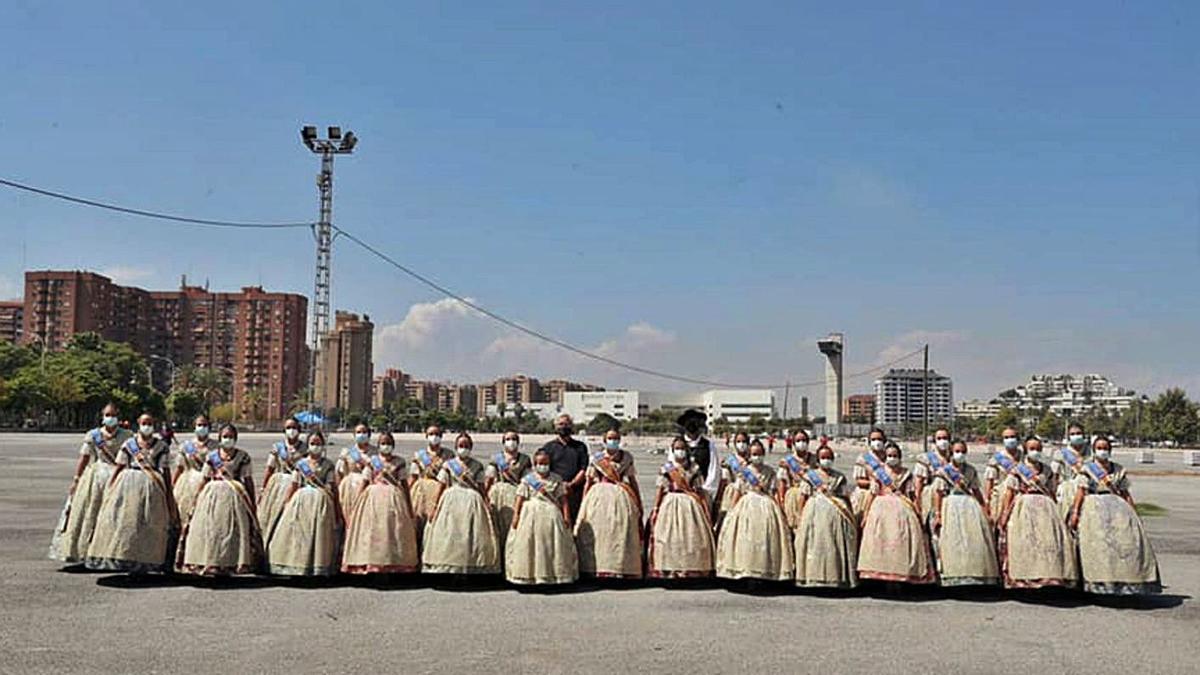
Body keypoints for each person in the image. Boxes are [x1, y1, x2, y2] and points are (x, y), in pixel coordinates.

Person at [85, 413, 178, 573]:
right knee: (128, 523)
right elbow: (120, 466)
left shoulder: (161, 446)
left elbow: (166, 472)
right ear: (138, 424)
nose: (147, 426)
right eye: (144, 423)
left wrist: (169, 495)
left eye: (149, 423)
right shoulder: (129, 444)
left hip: (153, 488)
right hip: (128, 486)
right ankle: (127, 559)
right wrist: (110, 488)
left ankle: (147, 561)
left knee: (149, 524)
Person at [1068, 436, 1161, 595]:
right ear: (1093, 450)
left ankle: (1124, 579)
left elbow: (1125, 493)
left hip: (1118, 510)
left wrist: (1134, 512)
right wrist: (1075, 512)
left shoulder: (1118, 470)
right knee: (1097, 545)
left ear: (1110, 450)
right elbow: (1081, 491)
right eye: (1099, 448)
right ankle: (1095, 581)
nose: (1102, 451)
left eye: (1105, 448)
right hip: (1093, 509)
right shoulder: (1087, 469)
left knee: (1123, 543)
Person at [49, 403, 133, 564]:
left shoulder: (127, 435)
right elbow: (85, 457)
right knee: (88, 512)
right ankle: (83, 550)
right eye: (107, 415)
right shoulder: (93, 435)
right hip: (96, 476)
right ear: (102, 416)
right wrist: (76, 479)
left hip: (119, 476)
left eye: (113, 415)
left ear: (118, 416)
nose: (110, 418)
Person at [175, 424, 263, 576]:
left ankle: (231, 563)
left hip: (234, 495)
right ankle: (211, 562)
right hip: (212, 495)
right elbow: (205, 478)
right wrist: (197, 499)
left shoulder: (243, 456)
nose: (228, 439)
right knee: (211, 530)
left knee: (233, 530)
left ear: (235, 438)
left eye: (231, 436)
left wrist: (252, 503)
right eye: (225, 436)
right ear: (220, 437)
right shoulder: (212, 456)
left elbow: (247, 480)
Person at [994, 436, 1078, 589]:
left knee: (1047, 541)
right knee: (1025, 541)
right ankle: (1024, 578)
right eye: (1032, 449)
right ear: (1026, 450)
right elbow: (1010, 492)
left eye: (1038, 449)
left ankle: (1048, 577)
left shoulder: (1047, 470)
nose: (1036, 452)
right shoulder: (1018, 469)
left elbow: (1051, 490)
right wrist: (1005, 513)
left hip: (1045, 508)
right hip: (1023, 506)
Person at [421, 433, 501, 575]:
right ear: (456, 447)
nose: (463, 448)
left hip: (472, 501)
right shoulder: (448, 465)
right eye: (461, 446)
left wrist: (487, 503)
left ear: (471, 447)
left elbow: (482, 487)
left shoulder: (477, 465)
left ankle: (469, 567)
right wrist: (434, 506)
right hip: (451, 500)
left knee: (470, 535)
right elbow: (441, 486)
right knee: (450, 534)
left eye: (466, 446)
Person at [856, 442, 935, 585]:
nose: (892, 458)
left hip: (902, 509)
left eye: (895, 455)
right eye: (889, 455)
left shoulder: (906, 473)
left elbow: (911, 494)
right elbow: (872, 494)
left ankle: (900, 577)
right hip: (880, 509)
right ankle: (882, 579)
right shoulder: (879, 473)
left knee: (901, 541)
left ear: (900, 457)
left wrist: (917, 511)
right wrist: (866, 514)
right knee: (881, 541)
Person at [341, 432, 419, 574]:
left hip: (393, 499)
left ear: (393, 445)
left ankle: (392, 564)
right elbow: (365, 481)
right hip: (372, 498)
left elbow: (404, 485)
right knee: (371, 531)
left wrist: (409, 506)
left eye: (388, 443)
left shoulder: (399, 462)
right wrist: (357, 504)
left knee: (392, 531)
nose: (386, 446)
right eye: (383, 443)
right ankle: (371, 564)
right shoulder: (373, 461)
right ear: (378, 445)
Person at [715, 439, 793, 581]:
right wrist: (732, 512)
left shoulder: (769, 471)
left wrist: (780, 508)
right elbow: (738, 490)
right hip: (747, 504)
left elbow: (774, 491)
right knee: (746, 539)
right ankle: (746, 570)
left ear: (763, 454)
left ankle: (764, 571)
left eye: (759, 453)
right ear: (749, 455)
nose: (757, 456)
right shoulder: (744, 472)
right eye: (754, 454)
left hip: (766, 505)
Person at [266, 431, 340, 577]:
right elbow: (294, 485)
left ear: (323, 445)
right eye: (312, 443)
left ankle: (317, 567)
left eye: (318, 443)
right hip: (301, 501)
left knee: (318, 536)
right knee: (299, 534)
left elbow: (331, 485)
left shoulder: (328, 464)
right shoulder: (301, 464)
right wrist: (287, 504)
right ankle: (297, 565)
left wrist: (335, 505)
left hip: (320, 502)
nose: (315, 446)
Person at [928, 440, 999, 587]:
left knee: (972, 540)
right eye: (956, 451)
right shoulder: (943, 471)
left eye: (962, 451)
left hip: (969, 507)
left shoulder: (970, 470)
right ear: (951, 453)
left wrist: (984, 508)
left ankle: (972, 573)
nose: (960, 455)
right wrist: (938, 513)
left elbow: (976, 490)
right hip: (950, 506)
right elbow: (938, 493)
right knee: (952, 541)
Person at [575, 428, 643, 579]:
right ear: (604, 441)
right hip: (599, 495)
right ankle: (596, 567)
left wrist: (638, 500)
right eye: (610, 438)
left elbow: (632, 480)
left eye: (616, 438)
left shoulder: (626, 457)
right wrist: (584, 502)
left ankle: (619, 567)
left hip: (621, 495)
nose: (613, 441)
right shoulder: (597, 459)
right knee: (600, 532)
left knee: (620, 532)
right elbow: (589, 481)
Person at [505, 449, 579, 585]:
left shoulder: (556, 479)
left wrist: (567, 515)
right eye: (540, 463)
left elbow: (563, 500)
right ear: (534, 464)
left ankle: (552, 576)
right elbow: (519, 499)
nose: (543, 465)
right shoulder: (528, 480)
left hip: (552, 515)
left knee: (552, 545)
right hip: (531, 515)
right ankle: (530, 576)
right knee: (530, 545)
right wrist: (516, 515)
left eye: (545, 463)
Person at [791, 444, 858, 589]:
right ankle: (814, 577)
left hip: (836, 514)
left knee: (835, 545)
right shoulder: (810, 476)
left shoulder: (839, 477)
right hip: (814, 513)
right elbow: (803, 497)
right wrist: (800, 517)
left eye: (828, 457)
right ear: (817, 459)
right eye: (823, 457)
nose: (826, 460)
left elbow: (845, 496)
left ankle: (835, 578)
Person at [647, 437, 715, 579]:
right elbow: (661, 489)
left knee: (691, 537)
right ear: (672, 451)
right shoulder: (666, 468)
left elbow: (699, 489)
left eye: (682, 448)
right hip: (670, 502)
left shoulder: (694, 468)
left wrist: (705, 508)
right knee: (669, 537)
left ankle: (690, 568)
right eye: (677, 448)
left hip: (690, 505)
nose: (680, 451)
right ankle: (670, 569)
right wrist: (656, 508)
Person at [257, 417, 307, 547]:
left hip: (298, 485)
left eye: (294, 428)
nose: (291, 431)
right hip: (279, 485)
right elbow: (270, 468)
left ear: (300, 430)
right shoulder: (278, 447)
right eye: (288, 428)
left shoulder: (305, 448)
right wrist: (263, 489)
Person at [485, 430, 532, 552]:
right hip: (498, 493)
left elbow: (527, 479)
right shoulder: (496, 459)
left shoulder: (525, 459)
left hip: (516, 494)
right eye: (508, 439)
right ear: (503, 442)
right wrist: (485, 496)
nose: (511, 442)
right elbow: (489, 479)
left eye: (514, 439)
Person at [539, 414, 589, 524]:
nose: (563, 427)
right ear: (555, 427)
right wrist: (558, 486)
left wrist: (571, 484)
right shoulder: (548, 447)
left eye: (566, 424)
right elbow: (544, 469)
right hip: (553, 491)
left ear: (571, 426)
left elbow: (583, 469)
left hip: (575, 492)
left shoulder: (580, 447)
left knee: (574, 522)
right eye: (560, 424)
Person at [171, 414, 219, 528]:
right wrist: (172, 487)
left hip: (208, 483)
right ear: (194, 427)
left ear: (209, 427)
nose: (202, 427)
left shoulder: (216, 446)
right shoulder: (186, 446)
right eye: (199, 425)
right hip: (187, 486)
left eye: (204, 425)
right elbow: (179, 468)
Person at [409, 424, 452, 540]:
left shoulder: (448, 455)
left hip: (440, 489)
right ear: (426, 436)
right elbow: (413, 476)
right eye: (431, 434)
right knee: (418, 519)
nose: (434, 437)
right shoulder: (420, 455)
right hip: (421, 490)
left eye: (437, 434)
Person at [677, 409, 721, 507]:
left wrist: (704, 490)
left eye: (695, 422)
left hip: (702, 494)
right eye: (689, 422)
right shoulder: (677, 444)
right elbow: (672, 467)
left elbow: (714, 471)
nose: (692, 425)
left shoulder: (709, 445)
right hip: (680, 494)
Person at [336, 422, 376, 522]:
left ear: (369, 434)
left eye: (364, 432)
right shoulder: (347, 452)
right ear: (354, 435)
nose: (361, 434)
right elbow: (339, 472)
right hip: (350, 489)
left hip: (368, 488)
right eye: (358, 432)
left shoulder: (375, 452)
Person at [983, 426, 1024, 522]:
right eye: (1006, 437)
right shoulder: (997, 459)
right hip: (1000, 497)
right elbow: (990, 482)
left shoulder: (1024, 456)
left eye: (1012, 436)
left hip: (1020, 497)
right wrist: (987, 502)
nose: (1010, 439)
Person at [912, 426, 953, 519]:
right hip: (932, 498)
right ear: (935, 441)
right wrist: (917, 501)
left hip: (950, 499)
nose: (942, 441)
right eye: (939, 438)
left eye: (945, 438)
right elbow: (919, 483)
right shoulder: (926, 459)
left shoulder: (953, 459)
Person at [1052, 423, 1090, 522]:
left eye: (1078, 433)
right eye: (1072, 434)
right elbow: (1055, 476)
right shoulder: (1060, 454)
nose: (1076, 436)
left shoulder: (1091, 452)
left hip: (1087, 491)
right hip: (1066, 492)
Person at [776, 429, 813, 528]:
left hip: (811, 495)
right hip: (794, 495)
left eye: (804, 440)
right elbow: (782, 482)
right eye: (798, 440)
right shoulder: (788, 461)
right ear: (793, 443)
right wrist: (782, 500)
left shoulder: (814, 459)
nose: (802, 443)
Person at [715, 431, 752, 529]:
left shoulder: (753, 459)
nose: (741, 444)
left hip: (750, 494)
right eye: (738, 441)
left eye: (744, 441)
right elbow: (724, 481)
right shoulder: (730, 461)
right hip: (733, 494)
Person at [851, 428, 889, 521]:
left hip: (887, 495)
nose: (877, 442)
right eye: (873, 439)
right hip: (867, 495)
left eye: (879, 439)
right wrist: (871, 483)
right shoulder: (863, 459)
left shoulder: (889, 457)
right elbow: (859, 481)